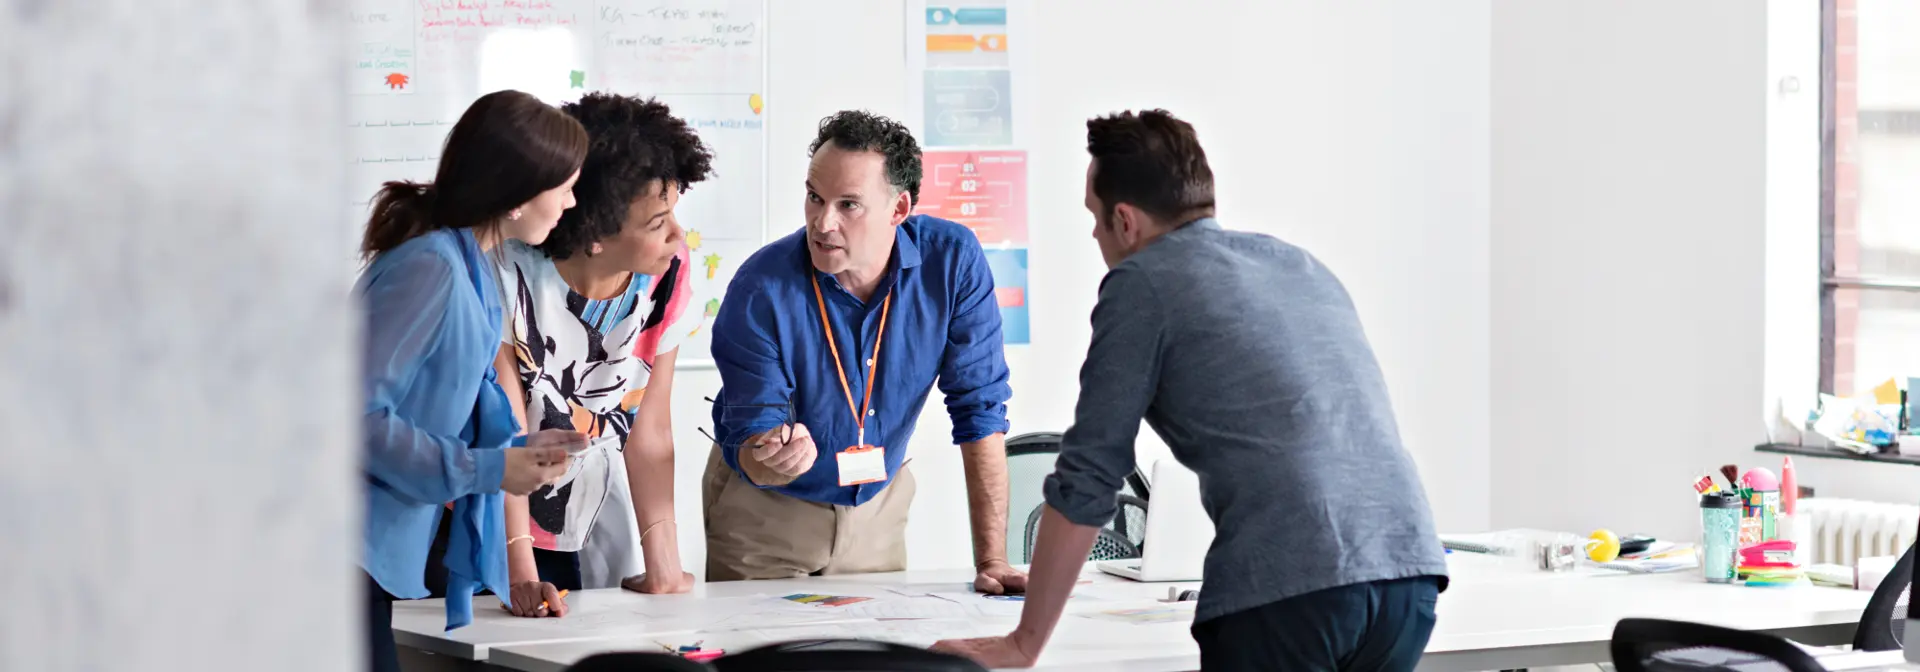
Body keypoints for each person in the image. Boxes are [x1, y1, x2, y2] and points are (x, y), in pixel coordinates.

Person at [932, 109, 1449, 671]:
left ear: (1125, 221)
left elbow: (1089, 476)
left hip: (1291, 592)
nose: (1094, 233)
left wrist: (1024, 642)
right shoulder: (1299, 265)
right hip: (1408, 576)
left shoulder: (1142, 283)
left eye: (1095, 218)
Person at [706, 111, 1026, 592]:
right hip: (769, 513)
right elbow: (752, 434)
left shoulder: (952, 262)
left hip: (878, 509)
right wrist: (769, 455)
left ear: (899, 209)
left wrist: (994, 561)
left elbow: (980, 407)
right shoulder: (761, 286)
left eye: (848, 204)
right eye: (815, 196)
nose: (822, 221)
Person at [355, 89, 591, 672]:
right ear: (515, 195)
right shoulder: (431, 266)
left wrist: (516, 451)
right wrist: (490, 468)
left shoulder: (472, 267)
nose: (571, 200)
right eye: (563, 186)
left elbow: (447, 405)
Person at [490, 92, 713, 617]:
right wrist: (520, 573)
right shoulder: (504, 273)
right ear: (595, 234)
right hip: (492, 514)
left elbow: (651, 431)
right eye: (658, 222)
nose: (678, 235)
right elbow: (504, 434)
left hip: (587, 509)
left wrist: (663, 562)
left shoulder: (672, 275)